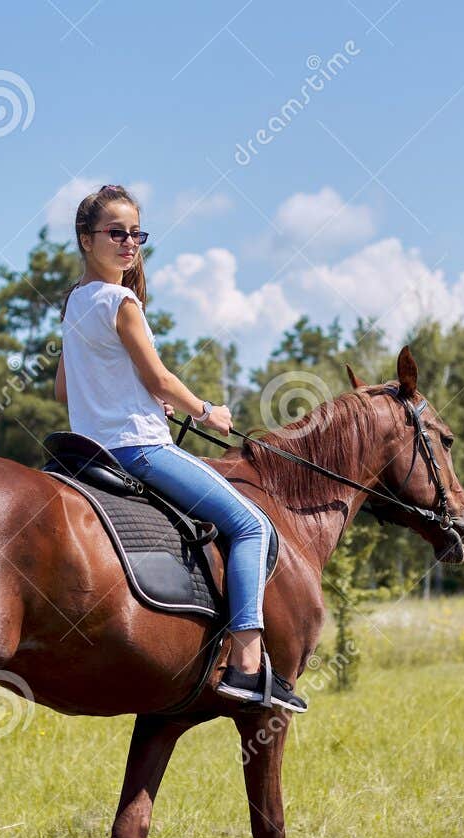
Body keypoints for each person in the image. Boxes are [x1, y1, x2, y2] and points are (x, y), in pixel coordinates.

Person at [54, 184, 306, 713]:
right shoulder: (122, 302)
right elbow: (161, 378)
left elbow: (64, 390)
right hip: (140, 450)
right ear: (85, 239)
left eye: (136, 234)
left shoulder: (75, 303)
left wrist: (130, 396)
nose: (128, 243)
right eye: (115, 233)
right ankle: (247, 662)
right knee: (254, 525)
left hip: (91, 451)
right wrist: (204, 410)